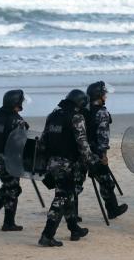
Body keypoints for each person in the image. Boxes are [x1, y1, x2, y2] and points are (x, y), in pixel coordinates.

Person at [36, 90, 97, 247]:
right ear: (80, 104)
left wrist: (43, 164)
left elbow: (43, 142)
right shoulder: (76, 117)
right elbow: (82, 143)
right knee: (62, 197)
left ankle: (74, 228)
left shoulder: (53, 115)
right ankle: (47, 235)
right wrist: (91, 162)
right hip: (67, 164)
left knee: (67, 195)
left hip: (52, 162)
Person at [0, 89, 28, 232]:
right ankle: (6, 221)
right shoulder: (17, 120)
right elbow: (20, 144)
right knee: (13, 189)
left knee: (10, 187)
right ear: (17, 103)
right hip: (9, 161)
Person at [85, 81, 128, 218]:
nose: (106, 96)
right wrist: (103, 154)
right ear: (99, 96)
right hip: (96, 153)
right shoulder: (102, 112)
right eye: (104, 94)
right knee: (106, 182)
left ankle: (71, 214)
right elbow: (103, 135)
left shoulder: (83, 110)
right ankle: (113, 210)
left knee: (76, 185)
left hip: (81, 151)